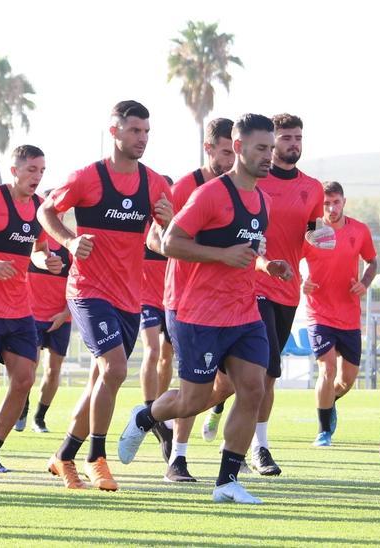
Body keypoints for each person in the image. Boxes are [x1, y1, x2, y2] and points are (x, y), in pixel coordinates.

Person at [117, 113, 290, 504]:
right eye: (262, 148)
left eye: (272, 148)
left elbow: (246, 253)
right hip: (196, 311)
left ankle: (226, 481)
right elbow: (170, 242)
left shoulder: (262, 199)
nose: (270, 156)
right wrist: (220, 255)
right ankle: (144, 417)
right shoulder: (209, 194)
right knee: (194, 399)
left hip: (243, 311)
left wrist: (268, 265)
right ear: (240, 148)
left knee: (253, 388)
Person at [40, 100, 173, 491]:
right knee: (115, 369)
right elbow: (46, 211)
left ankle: (63, 456)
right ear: (114, 131)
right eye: (134, 131)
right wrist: (68, 240)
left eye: (146, 131)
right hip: (87, 290)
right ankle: (96, 456)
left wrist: (166, 224)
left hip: (129, 299)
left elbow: (165, 242)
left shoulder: (155, 184)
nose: (142, 139)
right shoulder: (88, 177)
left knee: (102, 377)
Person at [248, 113, 334, 476]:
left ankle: (216, 410)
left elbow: (313, 231)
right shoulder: (253, 180)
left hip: (288, 290)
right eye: (286, 138)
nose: (293, 144)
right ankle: (259, 448)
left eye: (298, 137)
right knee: (265, 370)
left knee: (259, 377)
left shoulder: (313, 188)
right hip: (252, 286)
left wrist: (320, 239)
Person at [0, 144, 58, 473]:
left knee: (23, 380)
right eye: (31, 170)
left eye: (42, 171)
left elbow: (38, 250)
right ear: (14, 170)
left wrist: (46, 260)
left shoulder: (40, 208)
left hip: (20, 310)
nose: (37, 177)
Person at [160, 118, 235, 483]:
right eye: (225, 151)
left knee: (241, 381)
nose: (232, 158)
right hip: (188, 299)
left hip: (233, 300)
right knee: (193, 385)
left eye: (235, 150)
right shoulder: (186, 187)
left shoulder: (243, 188)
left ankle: (215, 421)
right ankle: (177, 457)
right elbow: (155, 242)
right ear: (209, 149)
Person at [301, 181, 377, 447]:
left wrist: (364, 283)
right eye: (326, 203)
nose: (331, 208)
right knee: (327, 369)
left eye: (336, 202)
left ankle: (328, 402)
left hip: (349, 316)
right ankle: (323, 432)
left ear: (344, 201)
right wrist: (301, 281)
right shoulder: (311, 230)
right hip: (319, 313)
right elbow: (288, 257)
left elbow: (372, 261)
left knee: (346, 381)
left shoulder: (360, 230)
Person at [24, 204, 71, 434]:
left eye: (60, 211)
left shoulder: (70, 243)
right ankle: (21, 406)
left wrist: (66, 314)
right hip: (32, 317)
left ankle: (39, 418)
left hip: (61, 318)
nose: (57, 215)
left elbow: (78, 285)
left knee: (53, 370)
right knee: (27, 369)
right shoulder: (32, 243)